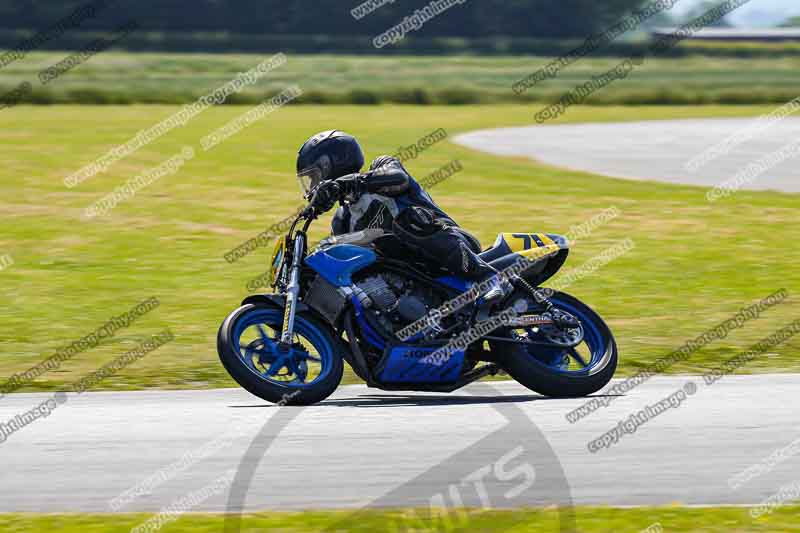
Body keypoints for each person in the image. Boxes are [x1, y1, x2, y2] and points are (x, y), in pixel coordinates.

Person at [296, 130, 509, 304]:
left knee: (409, 220)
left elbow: (399, 179)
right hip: (411, 281)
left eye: (315, 177)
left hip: (452, 246)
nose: (313, 186)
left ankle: (489, 278)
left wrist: (346, 183)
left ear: (332, 166)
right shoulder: (342, 220)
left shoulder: (382, 168)